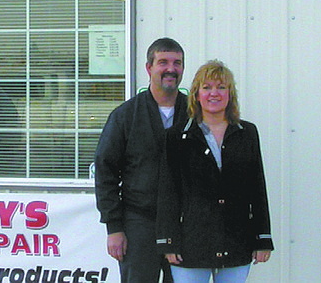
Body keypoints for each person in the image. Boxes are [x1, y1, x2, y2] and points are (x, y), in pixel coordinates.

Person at [156, 60, 274, 283]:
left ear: (230, 94)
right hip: (191, 243)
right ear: (196, 94)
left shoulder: (247, 133)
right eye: (207, 87)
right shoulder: (176, 137)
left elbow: (257, 189)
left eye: (221, 87)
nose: (214, 93)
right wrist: (168, 240)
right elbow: (168, 192)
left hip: (236, 241)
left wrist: (262, 238)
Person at [94, 37, 190, 283]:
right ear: (149, 68)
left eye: (177, 63)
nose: (171, 69)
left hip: (184, 226)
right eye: (163, 62)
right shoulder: (125, 116)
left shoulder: (194, 115)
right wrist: (114, 228)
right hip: (138, 225)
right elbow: (105, 173)